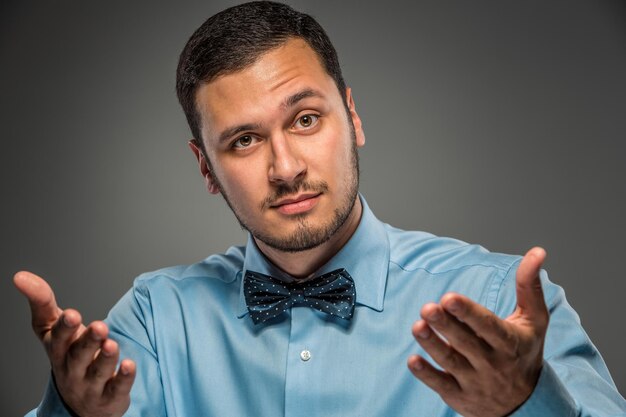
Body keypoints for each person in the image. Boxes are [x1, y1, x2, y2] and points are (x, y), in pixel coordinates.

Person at [14, 2, 626, 416]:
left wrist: (527, 404)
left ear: (353, 117)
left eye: (306, 120)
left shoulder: (501, 301)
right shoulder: (153, 318)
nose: (286, 168)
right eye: (245, 140)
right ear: (205, 167)